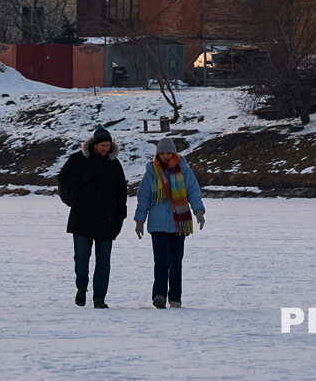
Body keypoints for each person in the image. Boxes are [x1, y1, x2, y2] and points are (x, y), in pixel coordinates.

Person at [57, 126, 127, 308]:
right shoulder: (78, 160)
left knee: (104, 261)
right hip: (82, 218)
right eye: (103, 145)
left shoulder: (114, 164)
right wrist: (82, 180)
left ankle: (99, 298)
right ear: (95, 144)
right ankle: (81, 288)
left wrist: (121, 216)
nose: (105, 149)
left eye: (108, 146)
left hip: (107, 220)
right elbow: (63, 178)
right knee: (81, 258)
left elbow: (121, 193)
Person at [133, 137, 206, 309]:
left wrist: (199, 211)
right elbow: (143, 198)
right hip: (158, 225)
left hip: (179, 223)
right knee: (162, 260)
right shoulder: (152, 172)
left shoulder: (184, 171)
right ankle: (159, 295)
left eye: (168, 153)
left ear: (174, 153)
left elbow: (193, 192)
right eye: (162, 153)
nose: (165, 156)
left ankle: (175, 298)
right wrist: (139, 220)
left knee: (175, 261)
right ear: (158, 154)